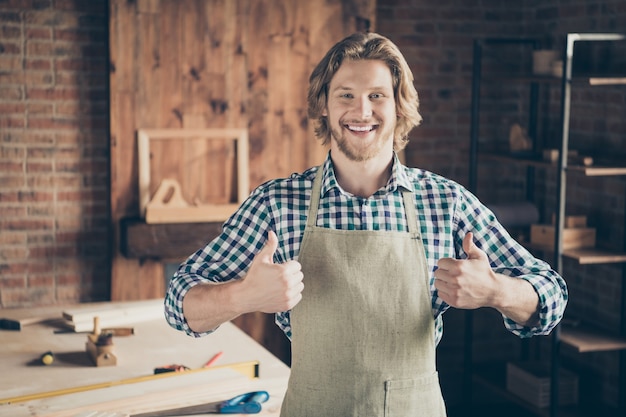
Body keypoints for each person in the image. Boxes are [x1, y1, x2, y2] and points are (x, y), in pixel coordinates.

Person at [165, 32, 568, 417]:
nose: (362, 111)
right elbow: (179, 304)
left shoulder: (446, 204)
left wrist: (495, 290)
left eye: (377, 96)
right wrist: (243, 295)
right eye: (346, 96)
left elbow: (551, 298)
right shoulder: (277, 204)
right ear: (324, 105)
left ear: (399, 106)